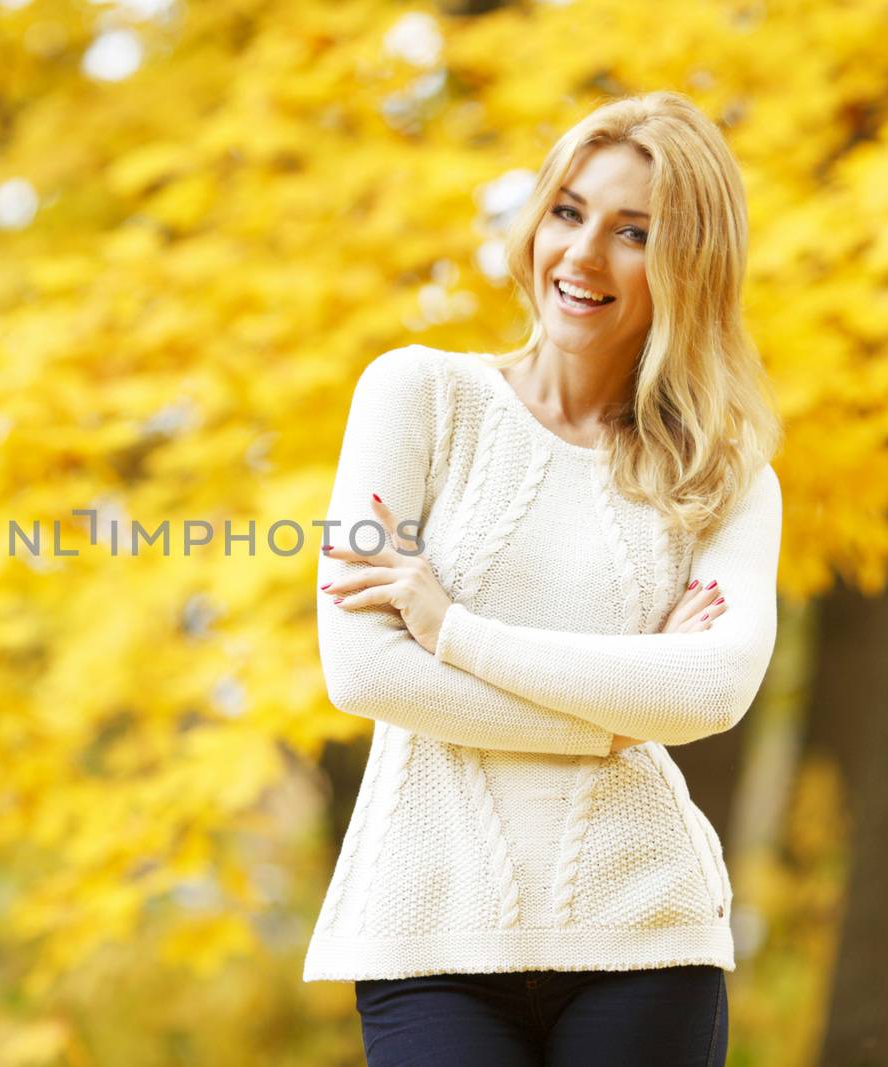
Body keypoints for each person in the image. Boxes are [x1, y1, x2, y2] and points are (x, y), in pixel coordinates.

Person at [301, 90, 783, 1067]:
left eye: (632, 232)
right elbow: (359, 668)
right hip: (427, 927)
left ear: (689, 265)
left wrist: (452, 629)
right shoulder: (414, 396)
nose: (581, 255)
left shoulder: (722, 475)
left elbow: (710, 689)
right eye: (568, 211)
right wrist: (616, 710)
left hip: (647, 925)